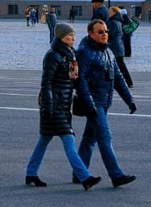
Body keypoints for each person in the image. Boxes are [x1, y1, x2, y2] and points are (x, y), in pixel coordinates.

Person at [23, 23, 99, 190]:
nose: (73, 38)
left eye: (73, 35)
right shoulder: (53, 55)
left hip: (63, 104)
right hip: (54, 105)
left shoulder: (69, 55)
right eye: (69, 35)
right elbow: (46, 82)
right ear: (60, 37)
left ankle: (31, 173)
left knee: (44, 139)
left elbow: (73, 81)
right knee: (69, 139)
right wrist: (48, 106)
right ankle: (85, 177)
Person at [75, 19, 137, 189]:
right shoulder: (84, 52)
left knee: (89, 138)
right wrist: (89, 103)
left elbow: (117, 77)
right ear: (91, 34)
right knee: (105, 137)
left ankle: (78, 173)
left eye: (106, 31)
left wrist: (129, 99)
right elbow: (80, 82)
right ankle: (116, 175)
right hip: (94, 103)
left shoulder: (108, 51)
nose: (104, 34)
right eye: (100, 32)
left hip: (105, 100)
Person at [106, 7, 133, 88]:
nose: (108, 13)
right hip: (118, 45)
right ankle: (127, 82)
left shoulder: (113, 22)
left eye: (110, 11)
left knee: (120, 65)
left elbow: (111, 35)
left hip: (115, 46)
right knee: (119, 65)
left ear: (114, 12)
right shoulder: (117, 21)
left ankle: (128, 82)